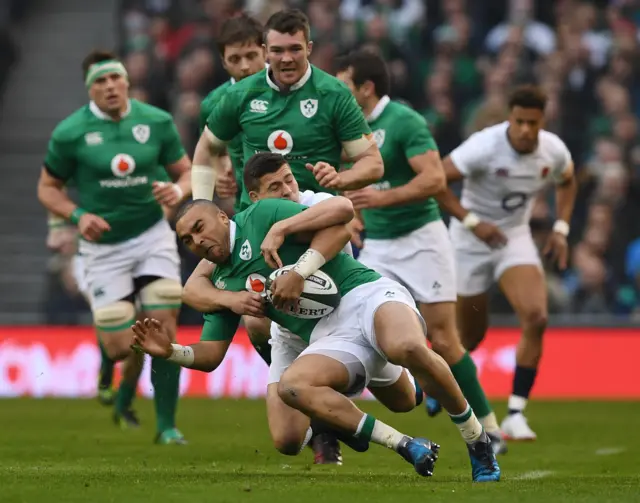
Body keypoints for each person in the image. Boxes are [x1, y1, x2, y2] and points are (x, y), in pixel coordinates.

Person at [132, 154, 501, 482]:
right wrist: (170, 351)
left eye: (199, 228)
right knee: (293, 392)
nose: (197, 241)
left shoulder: (262, 214)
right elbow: (211, 355)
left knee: (405, 350)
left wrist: (297, 267)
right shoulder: (223, 280)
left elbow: (342, 217)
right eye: (187, 240)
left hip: (363, 296)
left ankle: (477, 440)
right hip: (326, 336)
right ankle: (405, 445)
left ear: (221, 215)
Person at [183, 153, 424, 464]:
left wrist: (293, 259)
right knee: (286, 440)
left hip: (345, 318)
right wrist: (228, 300)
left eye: (289, 180)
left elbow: (342, 219)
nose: (286, 190)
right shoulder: (249, 226)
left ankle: (356, 403)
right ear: (255, 199)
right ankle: (326, 423)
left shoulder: (316, 202)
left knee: (406, 402)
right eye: (275, 187)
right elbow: (193, 286)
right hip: (292, 332)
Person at [334, 50, 506, 454]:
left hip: (423, 239)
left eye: (343, 86)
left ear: (366, 88)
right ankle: (344, 425)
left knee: (444, 339)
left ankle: (491, 429)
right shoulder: (346, 129)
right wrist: (348, 212)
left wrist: (383, 198)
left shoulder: (404, 122)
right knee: (368, 334)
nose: (335, 94)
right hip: (377, 245)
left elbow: (433, 179)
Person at [37, 49, 192, 444]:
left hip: (151, 235)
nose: (109, 87)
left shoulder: (156, 121)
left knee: (164, 328)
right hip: (103, 247)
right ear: (90, 89)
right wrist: (77, 217)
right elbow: (47, 188)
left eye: (114, 78)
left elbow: (186, 171)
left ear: (126, 80)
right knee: (124, 345)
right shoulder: (70, 133)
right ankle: (112, 370)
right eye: (100, 82)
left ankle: (167, 427)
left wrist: (176, 190)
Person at [436, 85, 577, 440]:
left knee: (536, 316)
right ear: (509, 119)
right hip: (469, 241)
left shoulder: (553, 149)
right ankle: (440, 378)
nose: (527, 130)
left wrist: (561, 228)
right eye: (520, 122)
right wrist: (472, 222)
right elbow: (437, 180)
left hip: (513, 237)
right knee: (470, 338)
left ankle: (516, 413)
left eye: (533, 122)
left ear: (542, 121)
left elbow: (568, 180)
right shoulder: (484, 146)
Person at [191, 8, 383, 202]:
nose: (287, 58)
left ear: (309, 48)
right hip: (258, 216)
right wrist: (202, 204)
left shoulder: (334, 94)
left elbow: (372, 162)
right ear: (266, 51)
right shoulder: (240, 94)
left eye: (295, 49)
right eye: (277, 50)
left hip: (314, 213)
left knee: (341, 213)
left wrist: (340, 179)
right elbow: (206, 148)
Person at [198, 13, 266, 213]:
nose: (244, 66)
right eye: (235, 59)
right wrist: (220, 171)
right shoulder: (213, 104)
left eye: (251, 56)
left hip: (303, 200)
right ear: (223, 62)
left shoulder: (289, 88)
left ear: (265, 52)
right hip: (246, 209)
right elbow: (211, 151)